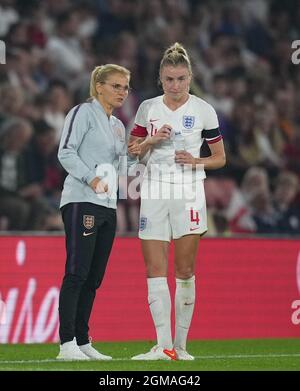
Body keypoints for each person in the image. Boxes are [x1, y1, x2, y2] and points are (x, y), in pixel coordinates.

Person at [128, 43, 226, 361]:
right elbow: (132, 149)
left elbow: (220, 158)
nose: (175, 85)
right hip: (154, 191)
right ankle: (163, 346)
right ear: (160, 78)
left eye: (181, 79)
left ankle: (181, 347)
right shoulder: (148, 108)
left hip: (188, 192)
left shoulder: (203, 110)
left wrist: (196, 161)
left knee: (184, 269)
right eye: (169, 79)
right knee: (155, 268)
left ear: (190, 77)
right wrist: (151, 141)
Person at [56, 64, 132, 360]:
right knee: (77, 272)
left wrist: (142, 149)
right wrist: (92, 178)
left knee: (94, 277)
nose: (122, 92)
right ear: (98, 85)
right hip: (81, 200)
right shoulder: (82, 113)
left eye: (125, 87)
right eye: (116, 85)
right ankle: (66, 344)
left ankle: (82, 339)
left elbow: (126, 169)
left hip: (107, 205)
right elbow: (65, 151)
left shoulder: (118, 125)